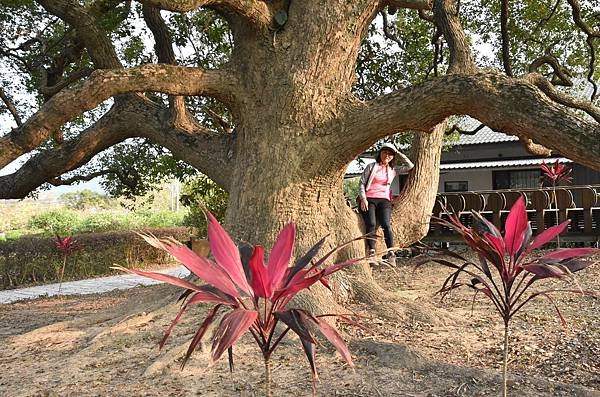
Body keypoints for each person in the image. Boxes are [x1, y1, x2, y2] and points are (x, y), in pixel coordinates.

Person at [358, 142, 414, 261]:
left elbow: (410, 166)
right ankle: (372, 251)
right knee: (371, 223)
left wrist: (397, 152)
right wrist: (363, 199)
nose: (387, 155)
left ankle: (391, 253)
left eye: (390, 154)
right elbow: (362, 183)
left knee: (386, 224)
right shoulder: (372, 166)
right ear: (380, 153)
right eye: (385, 152)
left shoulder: (393, 170)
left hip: (384, 200)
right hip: (369, 198)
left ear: (393, 156)